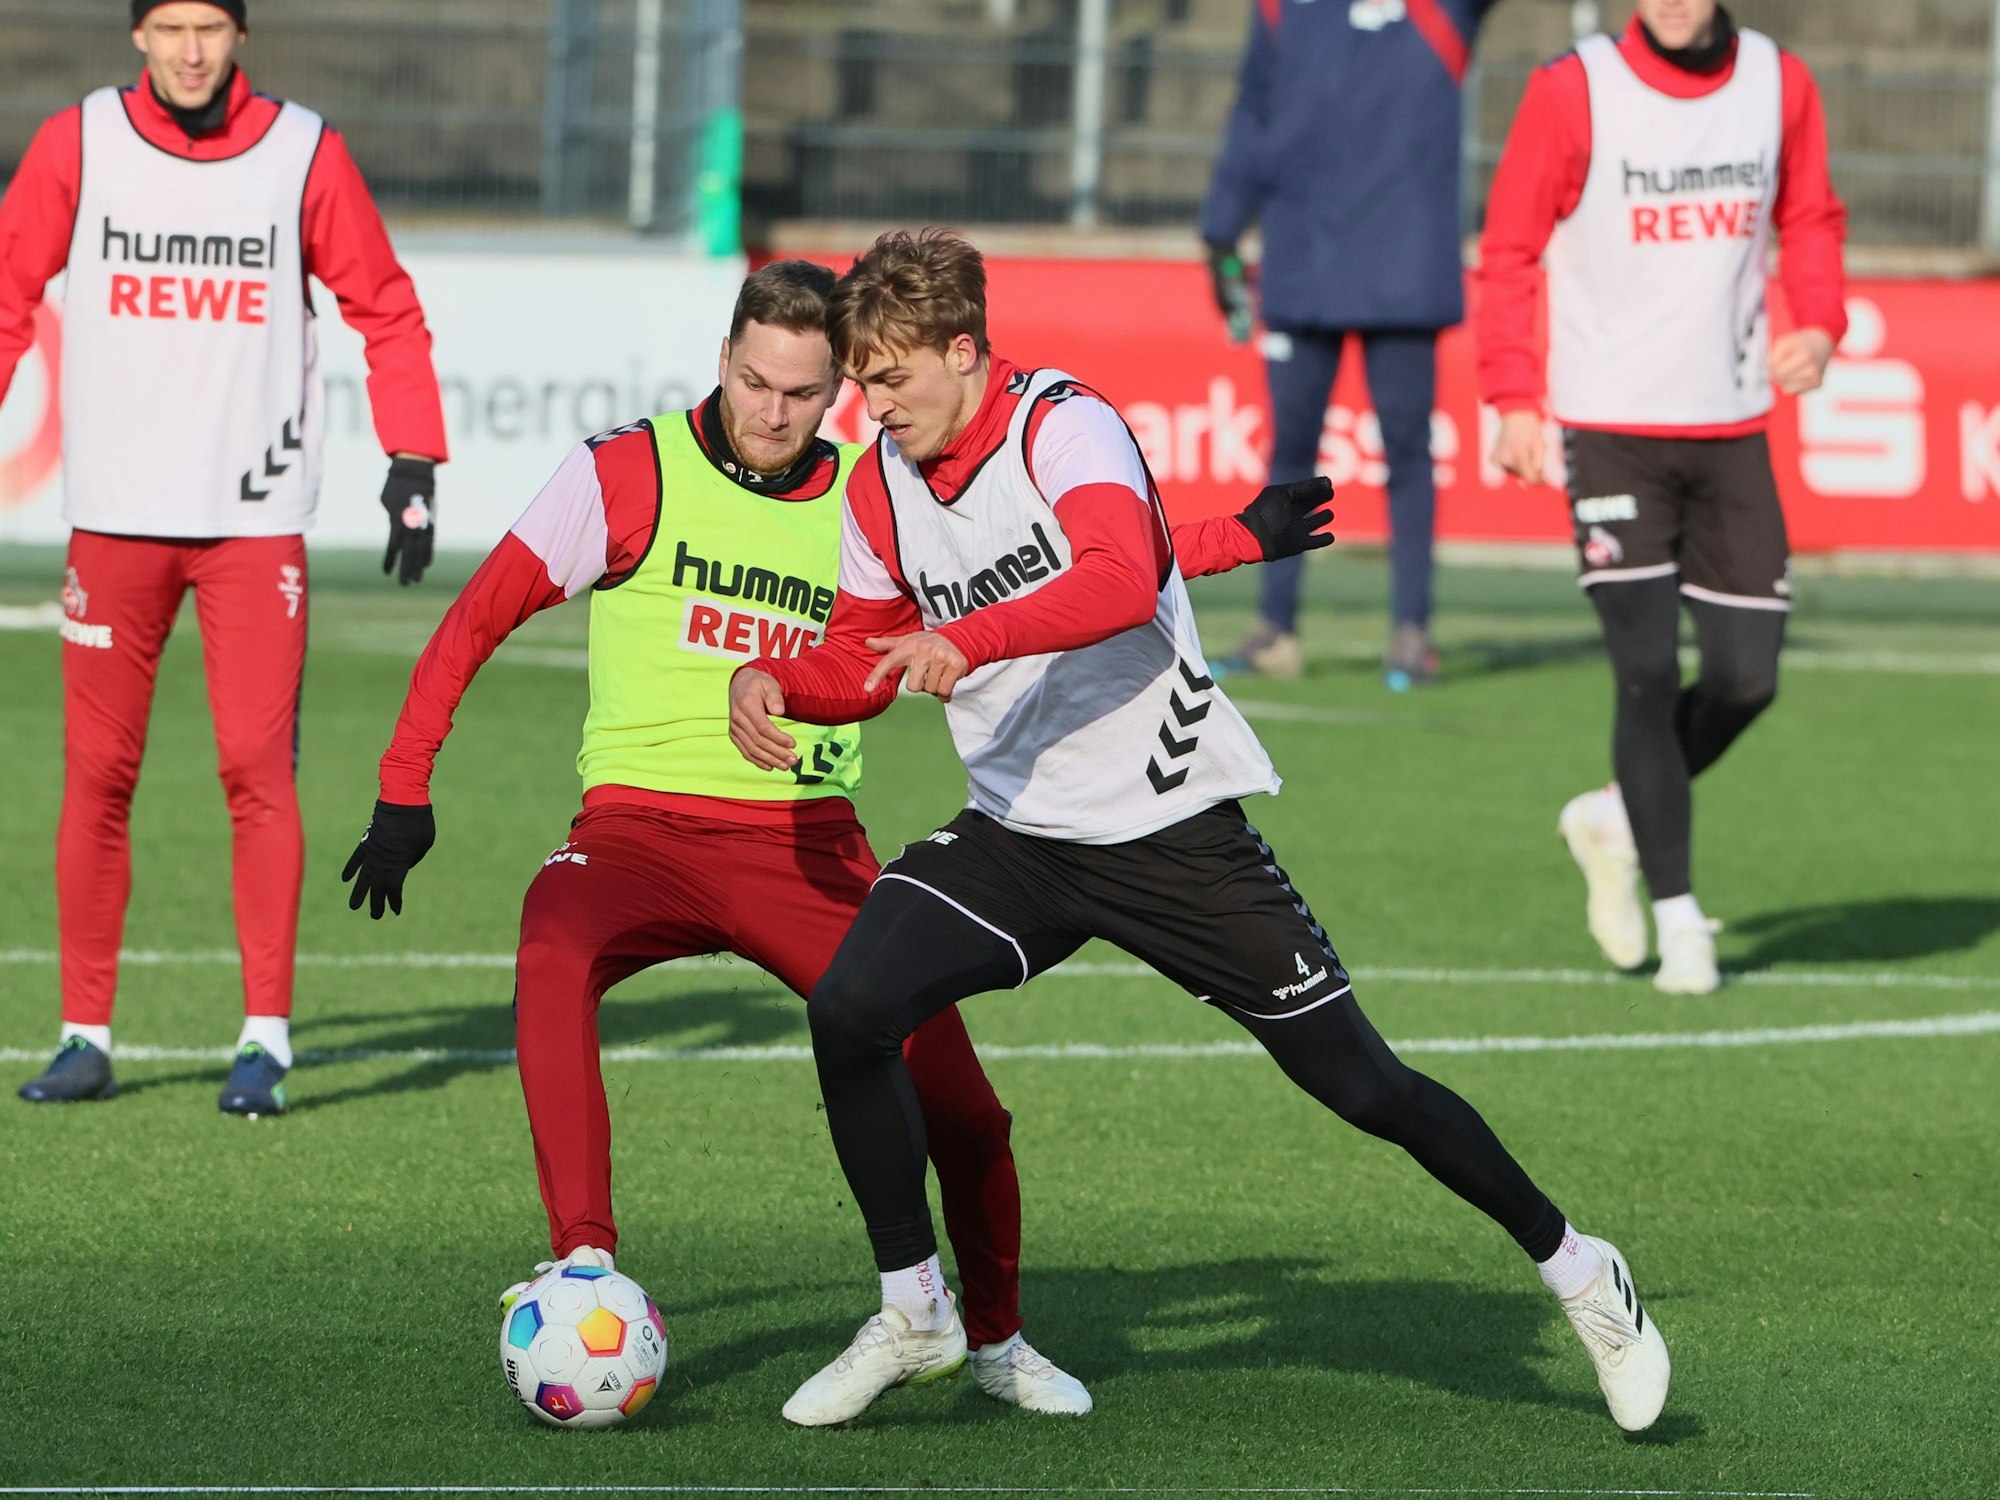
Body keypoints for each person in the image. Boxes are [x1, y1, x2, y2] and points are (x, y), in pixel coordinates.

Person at [337, 259, 1329, 1416]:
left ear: (838, 392)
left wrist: (1235, 539)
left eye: (802, 393)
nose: (772, 410)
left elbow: (1066, 562)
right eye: (754, 381)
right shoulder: (624, 470)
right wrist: (403, 790)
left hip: (806, 845)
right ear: (723, 360)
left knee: (964, 1109)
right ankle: (584, 1261)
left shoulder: (878, 495)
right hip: (637, 831)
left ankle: (994, 1340)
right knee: (552, 942)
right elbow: (475, 619)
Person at [728, 228, 1669, 1433]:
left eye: (893, 377)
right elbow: (863, 649)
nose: (871, 405)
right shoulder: (878, 483)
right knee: (851, 1005)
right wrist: (778, 679)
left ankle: (1579, 1272)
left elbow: (1121, 574)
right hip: (1018, 836)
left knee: (1364, 1086)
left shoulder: (1063, 422)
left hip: (1173, 832)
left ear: (964, 350)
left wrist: (969, 638)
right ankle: (915, 1308)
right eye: (858, 382)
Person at [4, 0, 448, 1113]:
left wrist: (413, 456)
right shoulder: (79, 142)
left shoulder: (303, 151)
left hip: (253, 530)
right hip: (112, 520)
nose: (191, 49)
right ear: (138, 39)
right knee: (98, 780)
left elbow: (383, 308)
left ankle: (264, 1040)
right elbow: (6, 297)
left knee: (256, 775)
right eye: (169, 27)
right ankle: (84, 1033)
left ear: (240, 35)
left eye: (210, 25)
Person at [1476, 0, 1847, 995]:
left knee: (1742, 681)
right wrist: (1513, 395)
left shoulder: (1779, 81)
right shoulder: (1570, 89)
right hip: (1609, 431)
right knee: (1642, 673)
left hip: (1731, 432)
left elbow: (1807, 216)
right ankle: (1680, 918)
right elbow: (1507, 249)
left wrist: (1817, 324)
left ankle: (1609, 816)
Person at [1201, 0, 1506, 688]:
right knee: (1290, 456)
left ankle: (1411, 633)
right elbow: (1254, 108)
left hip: (1404, 263)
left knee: (1407, 452)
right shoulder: (1282, 8)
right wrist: (1220, 227)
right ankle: (1275, 630)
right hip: (1302, 254)